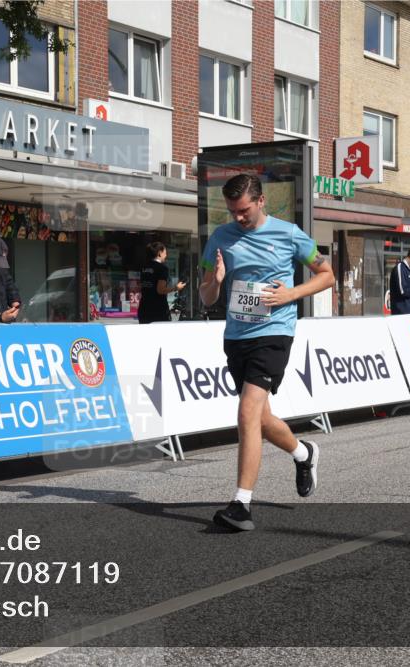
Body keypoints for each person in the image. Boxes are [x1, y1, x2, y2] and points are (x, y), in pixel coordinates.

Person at [199, 174, 335, 532]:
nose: (238, 218)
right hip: (237, 335)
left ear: (261, 202)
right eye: (232, 212)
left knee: (246, 412)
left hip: (274, 333)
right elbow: (206, 297)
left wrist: (290, 295)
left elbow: (326, 274)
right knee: (260, 418)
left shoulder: (289, 234)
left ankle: (241, 504)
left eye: (243, 211)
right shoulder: (220, 238)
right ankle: (304, 454)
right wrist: (215, 279)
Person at [137, 241, 186, 323]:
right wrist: (176, 288)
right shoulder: (161, 268)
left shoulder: (144, 267)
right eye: (165, 253)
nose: (166, 256)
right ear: (159, 253)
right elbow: (160, 290)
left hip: (144, 309)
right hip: (158, 310)